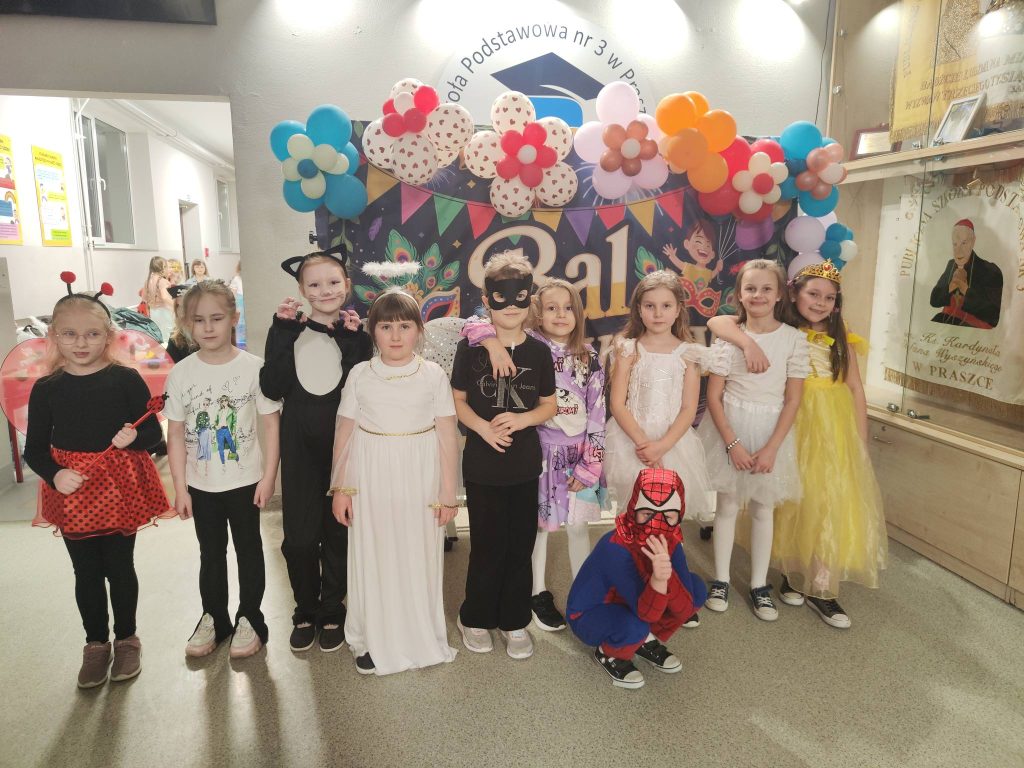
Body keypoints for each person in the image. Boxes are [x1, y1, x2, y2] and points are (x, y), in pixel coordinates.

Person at [708, 259, 887, 628]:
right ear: (793, 294)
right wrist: (746, 342)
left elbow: (855, 388)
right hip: (785, 424)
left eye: (829, 298)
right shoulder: (779, 326)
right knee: (789, 503)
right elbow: (719, 322)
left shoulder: (837, 335)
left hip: (827, 427)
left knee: (825, 499)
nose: (820, 303)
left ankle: (822, 586)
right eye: (813, 294)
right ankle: (791, 573)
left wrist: (860, 441)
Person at [24, 275, 171, 688]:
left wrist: (133, 438)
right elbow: (34, 450)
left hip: (119, 487)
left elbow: (152, 435)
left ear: (108, 335)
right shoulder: (47, 389)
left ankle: (126, 639)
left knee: (120, 567)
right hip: (72, 491)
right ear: (55, 336)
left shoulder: (125, 379)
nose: (81, 342)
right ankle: (95, 644)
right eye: (70, 334)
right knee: (85, 571)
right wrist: (55, 474)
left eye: (91, 333)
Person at [461, 278, 605, 632]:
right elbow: (473, 323)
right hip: (539, 456)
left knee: (578, 528)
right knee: (536, 529)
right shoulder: (528, 344)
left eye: (568, 308)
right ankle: (536, 593)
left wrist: (591, 465)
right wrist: (491, 343)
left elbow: (598, 412)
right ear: (537, 312)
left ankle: (584, 595)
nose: (561, 315)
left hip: (578, 458)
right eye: (551, 308)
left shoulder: (589, 357)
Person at [329, 289, 460, 675]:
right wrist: (341, 489)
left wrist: (448, 493)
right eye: (386, 327)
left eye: (405, 326)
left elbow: (447, 435)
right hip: (371, 478)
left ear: (419, 330)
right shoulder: (360, 374)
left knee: (417, 554)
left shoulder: (433, 375)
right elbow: (344, 434)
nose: (396, 335)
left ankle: (417, 634)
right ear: (373, 332)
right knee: (375, 552)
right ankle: (372, 635)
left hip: (420, 478)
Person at [260, 245, 372, 653]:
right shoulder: (286, 329)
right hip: (299, 447)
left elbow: (363, 391)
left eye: (333, 282)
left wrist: (352, 342)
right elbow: (272, 386)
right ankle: (304, 607)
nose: (325, 291)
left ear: (347, 284)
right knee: (300, 539)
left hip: (344, 447)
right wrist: (284, 332)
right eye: (314, 285)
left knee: (339, 533)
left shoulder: (357, 334)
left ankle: (332, 609)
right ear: (301, 290)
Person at [164, 280, 281, 660]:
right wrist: (180, 488)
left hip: (245, 481)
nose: (208, 327)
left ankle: (250, 617)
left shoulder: (254, 368)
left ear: (234, 317)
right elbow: (175, 434)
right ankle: (214, 617)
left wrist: (269, 477)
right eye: (199, 320)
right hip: (201, 486)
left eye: (216, 318)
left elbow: (271, 425)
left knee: (249, 550)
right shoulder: (181, 373)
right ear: (187, 324)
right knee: (210, 553)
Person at [451, 251, 556, 660]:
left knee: (519, 545)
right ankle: (474, 617)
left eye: (519, 297)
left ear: (530, 299)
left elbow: (549, 405)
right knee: (486, 545)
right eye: (501, 297)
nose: (511, 305)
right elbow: (457, 401)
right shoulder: (471, 348)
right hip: (482, 466)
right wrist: (482, 428)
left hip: (524, 466)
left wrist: (523, 418)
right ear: (487, 299)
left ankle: (514, 619)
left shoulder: (539, 353)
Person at [698, 259, 808, 622]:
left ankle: (759, 584)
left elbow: (792, 400)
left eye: (766, 288)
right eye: (750, 288)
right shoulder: (729, 337)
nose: (758, 295)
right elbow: (714, 396)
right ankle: (721, 579)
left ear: (779, 295)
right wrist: (732, 444)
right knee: (727, 506)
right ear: (740, 295)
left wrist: (772, 447)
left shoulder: (793, 339)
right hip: (731, 426)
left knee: (763, 508)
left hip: (772, 431)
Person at [566, 468, 706, 689]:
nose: (656, 524)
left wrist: (666, 577)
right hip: (589, 614)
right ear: (633, 509)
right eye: (647, 513)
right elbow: (647, 613)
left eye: (668, 516)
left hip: (632, 603)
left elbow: (686, 608)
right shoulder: (615, 547)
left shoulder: (672, 541)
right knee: (637, 624)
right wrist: (660, 579)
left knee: (696, 589)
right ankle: (609, 652)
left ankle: (641, 639)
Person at [604, 270, 716, 538]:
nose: (657, 313)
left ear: (678, 310)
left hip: (672, 442)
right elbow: (617, 404)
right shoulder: (629, 349)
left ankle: (665, 562)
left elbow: (689, 409)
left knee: (667, 514)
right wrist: (645, 446)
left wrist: (662, 446)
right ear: (639, 309)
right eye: (650, 306)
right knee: (632, 513)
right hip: (632, 441)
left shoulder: (689, 353)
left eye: (666, 306)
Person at [929, 218, 1003, 328]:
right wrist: (951, 286)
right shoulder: (951, 265)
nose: (958, 250)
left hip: (975, 328)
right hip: (947, 321)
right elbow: (934, 301)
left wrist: (964, 288)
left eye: (963, 243)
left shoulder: (990, 270)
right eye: (955, 244)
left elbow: (993, 315)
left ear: (973, 242)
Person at [662, 217, 723, 320]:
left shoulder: (708, 272)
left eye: (708, 245)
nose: (704, 247)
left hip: (702, 303)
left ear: (712, 254)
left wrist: (717, 268)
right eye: (698, 241)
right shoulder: (689, 267)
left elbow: (712, 275)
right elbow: (679, 263)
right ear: (687, 244)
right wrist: (672, 255)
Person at [141, 256, 174, 343]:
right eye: (167, 267)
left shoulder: (148, 281)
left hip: (153, 311)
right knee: (168, 333)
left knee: (159, 333)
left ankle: (161, 349)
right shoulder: (162, 281)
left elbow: (144, 298)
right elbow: (165, 297)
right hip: (165, 311)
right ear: (162, 268)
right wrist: (176, 305)